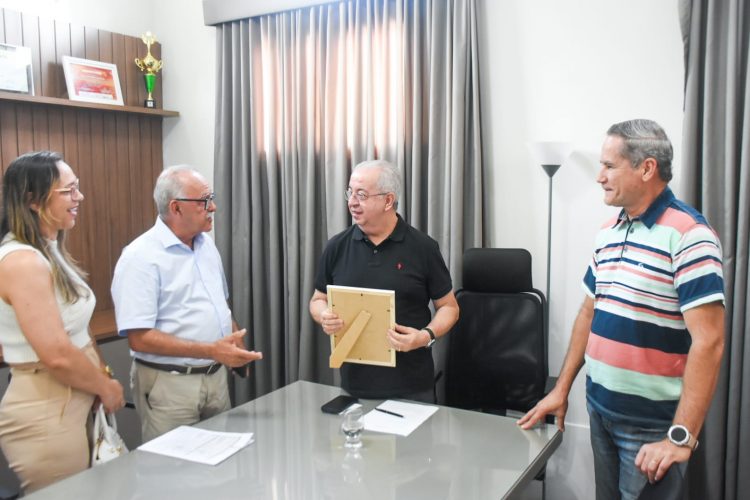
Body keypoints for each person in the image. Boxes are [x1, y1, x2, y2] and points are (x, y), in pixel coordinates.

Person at [518, 119, 725, 500]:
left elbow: (709, 342)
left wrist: (680, 438)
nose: (599, 176)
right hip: (601, 412)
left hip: (652, 428)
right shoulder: (609, 231)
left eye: (609, 166)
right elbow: (588, 313)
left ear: (646, 168)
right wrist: (561, 389)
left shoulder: (690, 236)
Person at [0, 151, 125, 493]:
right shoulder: (22, 261)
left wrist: (99, 377)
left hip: (77, 395)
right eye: (69, 191)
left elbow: (78, 331)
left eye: (77, 187)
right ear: (33, 200)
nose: (79, 197)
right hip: (46, 409)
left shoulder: (48, 249)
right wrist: (105, 387)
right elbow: (55, 353)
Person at [111, 165, 262, 442]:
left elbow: (220, 306)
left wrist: (235, 348)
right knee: (173, 466)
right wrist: (212, 350)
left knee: (222, 459)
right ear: (176, 208)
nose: (213, 207)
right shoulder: (140, 257)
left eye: (211, 199)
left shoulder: (206, 246)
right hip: (169, 385)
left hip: (215, 378)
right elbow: (139, 338)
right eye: (204, 201)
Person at [309, 160, 459, 402]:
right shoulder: (337, 246)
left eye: (361, 195)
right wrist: (324, 314)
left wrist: (425, 336)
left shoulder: (423, 248)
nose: (352, 202)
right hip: (354, 386)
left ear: (388, 201)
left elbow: (449, 307)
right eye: (350, 192)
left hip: (412, 386)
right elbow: (318, 300)